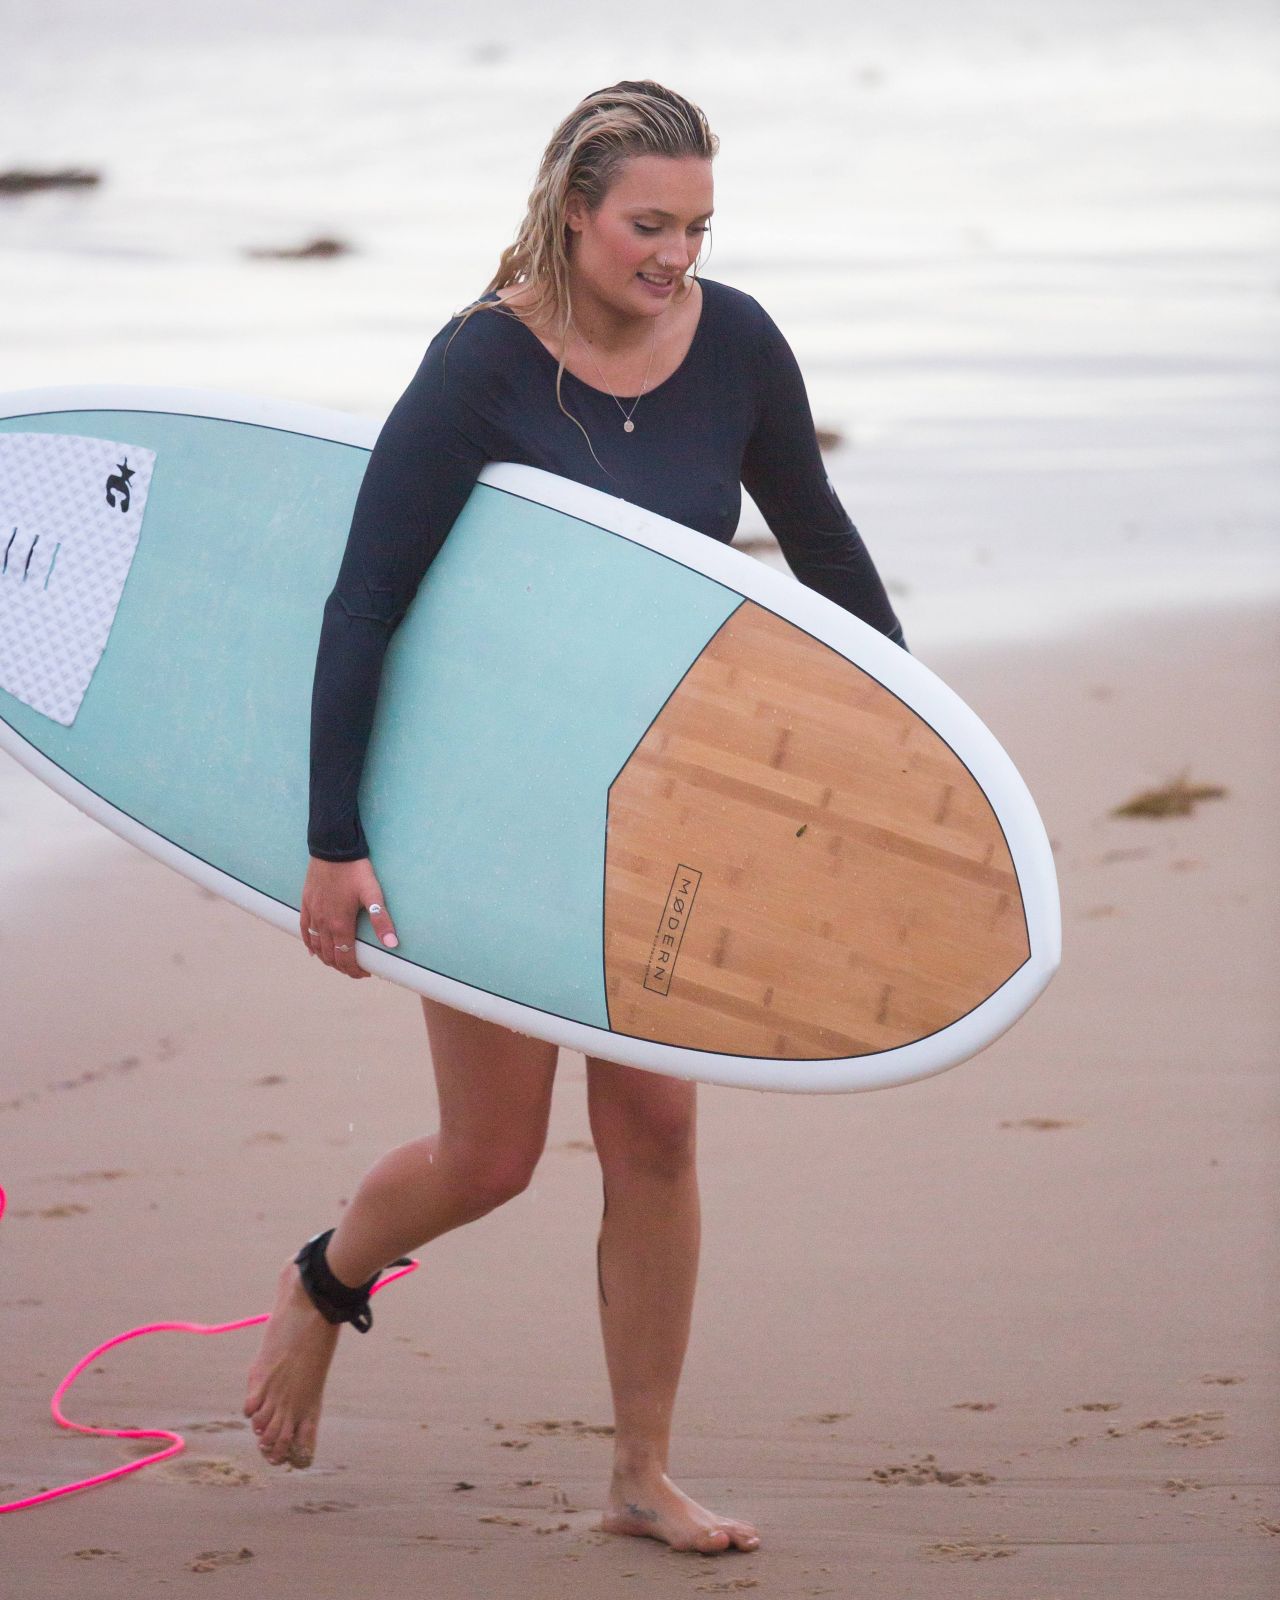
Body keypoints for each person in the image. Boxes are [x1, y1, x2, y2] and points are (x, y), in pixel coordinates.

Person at [244, 79, 903, 1556]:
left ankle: (638, 1472)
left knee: (656, 1128)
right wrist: (333, 836)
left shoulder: (735, 342)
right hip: (485, 800)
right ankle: (323, 1281)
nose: (674, 255)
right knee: (487, 1159)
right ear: (574, 211)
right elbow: (364, 601)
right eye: (647, 227)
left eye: (697, 226)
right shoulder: (482, 364)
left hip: (657, 796)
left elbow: (826, 556)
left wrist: (926, 764)